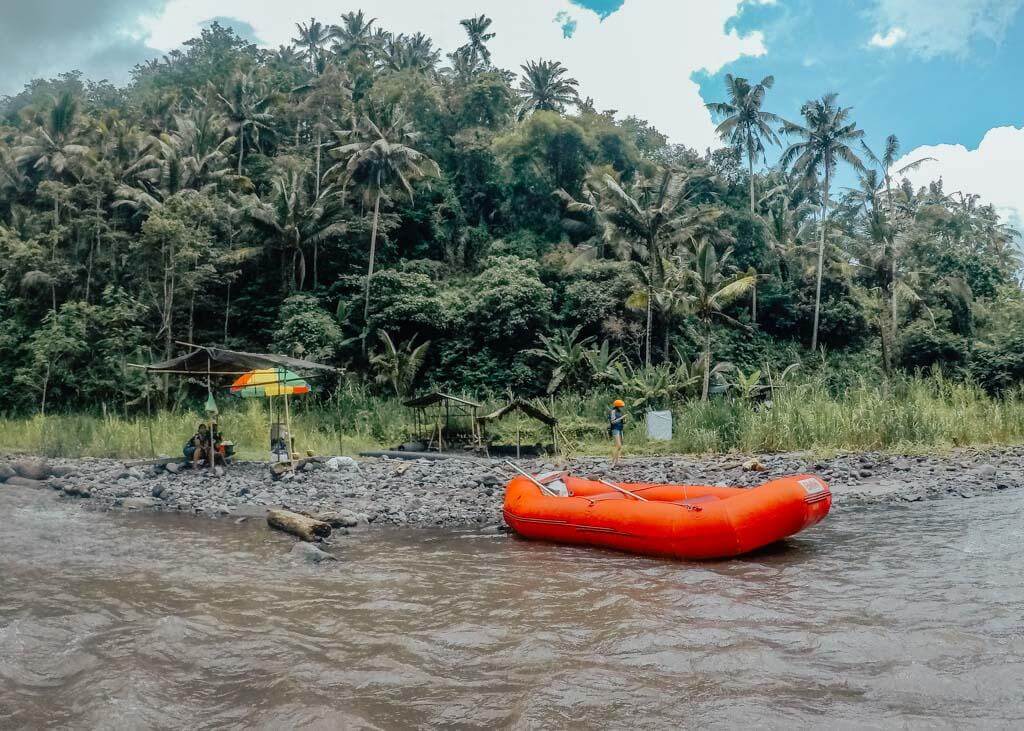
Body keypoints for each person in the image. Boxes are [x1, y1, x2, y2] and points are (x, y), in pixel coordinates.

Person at [608, 399, 626, 467]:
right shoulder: (613, 412)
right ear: (618, 406)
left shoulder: (619, 412)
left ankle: (617, 461)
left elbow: (620, 421)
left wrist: (623, 420)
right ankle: (613, 463)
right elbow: (612, 421)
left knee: (620, 446)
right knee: (618, 446)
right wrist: (621, 418)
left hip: (620, 429)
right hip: (615, 429)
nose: (622, 407)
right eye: (621, 406)